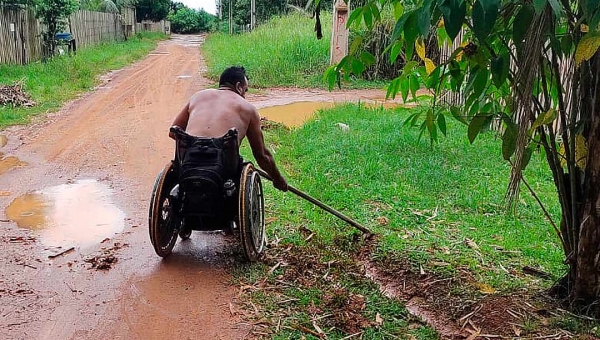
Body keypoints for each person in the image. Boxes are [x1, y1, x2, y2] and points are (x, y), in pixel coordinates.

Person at [170, 66, 288, 192]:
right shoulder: (248, 108)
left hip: (189, 160)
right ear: (238, 86)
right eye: (245, 91)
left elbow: (173, 133)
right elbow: (262, 156)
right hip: (223, 168)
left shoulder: (198, 96)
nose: (244, 96)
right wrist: (278, 179)